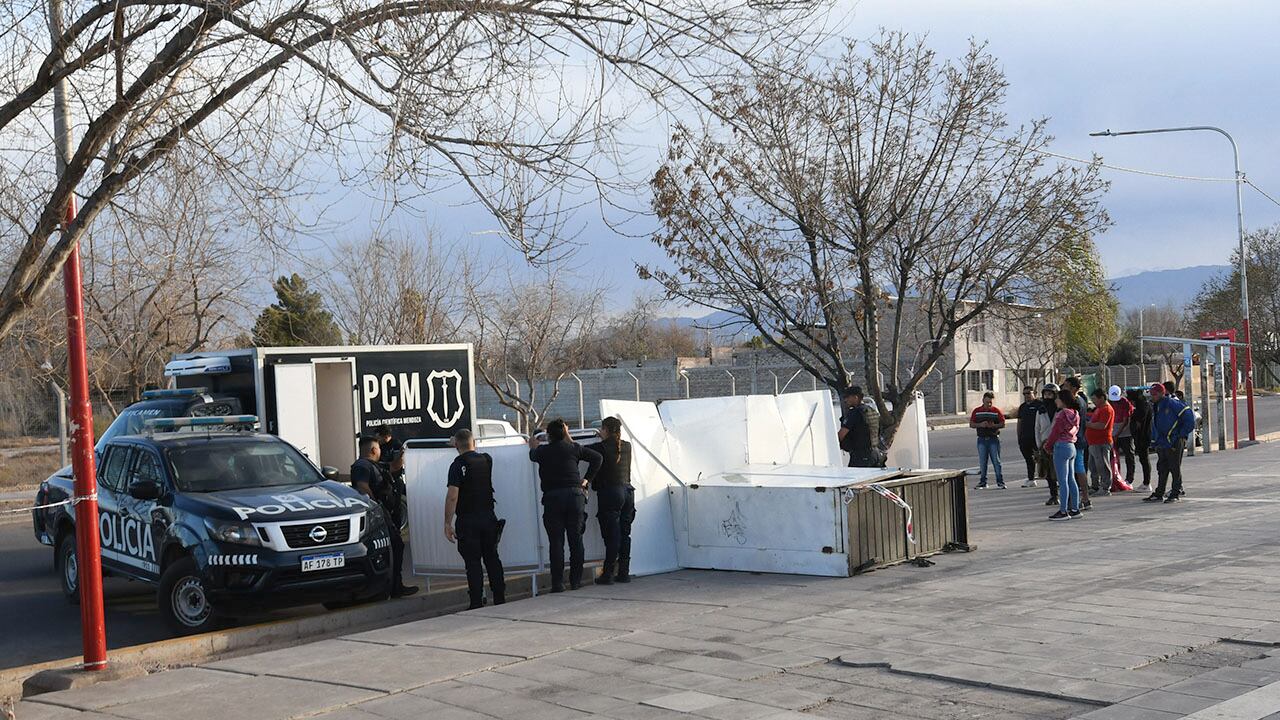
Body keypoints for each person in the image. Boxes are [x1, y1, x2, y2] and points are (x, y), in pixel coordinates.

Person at [528, 418, 602, 592]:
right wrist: (587, 479)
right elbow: (597, 458)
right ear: (565, 433)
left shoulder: (543, 451)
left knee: (556, 542)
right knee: (576, 540)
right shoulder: (573, 448)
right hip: (575, 496)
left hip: (553, 498)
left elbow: (533, 453)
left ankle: (558, 583)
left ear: (549, 435)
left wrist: (533, 444)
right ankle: (576, 582)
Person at [443, 428, 505, 609]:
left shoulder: (457, 465)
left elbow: (452, 496)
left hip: (468, 520)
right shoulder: (486, 460)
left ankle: (476, 601)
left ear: (455, 445)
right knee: (492, 558)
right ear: (474, 443)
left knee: (473, 562)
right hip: (488, 517)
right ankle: (500, 596)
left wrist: (447, 523)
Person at [351, 436, 418, 597]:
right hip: (377, 514)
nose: (380, 451)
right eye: (379, 448)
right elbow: (362, 486)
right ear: (374, 450)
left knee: (396, 546)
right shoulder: (362, 466)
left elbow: (393, 467)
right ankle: (391, 586)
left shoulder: (373, 465)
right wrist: (376, 507)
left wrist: (402, 455)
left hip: (384, 512)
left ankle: (395, 585)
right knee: (393, 546)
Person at [584, 416, 635, 585]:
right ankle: (624, 573)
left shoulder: (600, 447)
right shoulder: (627, 446)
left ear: (605, 430)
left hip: (611, 493)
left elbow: (579, 450)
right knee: (625, 534)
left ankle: (607, 574)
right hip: (628, 492)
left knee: (612, 536)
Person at [1146, 383, 1195, 504]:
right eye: (1151, 394)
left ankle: (1175, 492)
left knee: (1174, 467)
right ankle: (1159, 492)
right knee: (1162, 468)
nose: (1152, 396)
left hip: (1173, 441)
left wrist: (1179, 435)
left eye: (1154, 394)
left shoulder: (1173, 404)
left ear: (1162, 393)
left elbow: (1189, 419)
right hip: (1162, 442)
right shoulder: (1155, 406)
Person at [1044, 388, 1081, 520]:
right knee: (1071, 479)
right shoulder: (1075, 413)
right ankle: (1075, 508)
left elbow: (1055, 432)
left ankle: (1063, 510)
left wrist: (1048, 445)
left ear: (1063, 400)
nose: (1056, 400)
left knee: (1062, 480)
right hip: (1071, 445)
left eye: (1058, 398)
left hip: (1061, 446)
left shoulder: (1061, 414)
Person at [1062, 377, 1091, 510]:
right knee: (1079, 469)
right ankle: (1084, 498)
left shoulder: (1075, 402)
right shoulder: (1082, 400)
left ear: (1073, 388)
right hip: (1080, 438)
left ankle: (1078, 499)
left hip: (1074, 439)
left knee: (1076, 470)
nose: (1064, 388)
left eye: (1067, 386)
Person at [969, 391, 1006, 489]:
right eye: (987, 402)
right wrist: (980, 425)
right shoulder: (977, 411)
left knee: (996, 461)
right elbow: (971, 424)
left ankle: (1000, 481)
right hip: (981, 439)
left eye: (990, 402)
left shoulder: (996, 411)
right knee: (982, 462)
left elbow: (1002, 423)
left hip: (993, 438)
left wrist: (994, 425)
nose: (989, 404)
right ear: (983, 400)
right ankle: (983, 481)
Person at [838, 386, 882, 468]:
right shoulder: (872, 411)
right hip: (876, 454)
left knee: (853, 479)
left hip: (861, 457)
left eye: (847, 397)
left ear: (856, 397)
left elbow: (841, 434)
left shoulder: (855, 413)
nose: (845, 400)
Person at [1034, 383, 1060, 506]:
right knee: (1048, 473)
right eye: (1045, 394)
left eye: (1050, 394)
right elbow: (1037, 428)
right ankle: (1053, 495)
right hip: (1045, 445)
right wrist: (1039, 445)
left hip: (1059, 444)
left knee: (1059, 471)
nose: (1047, 396)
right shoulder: (1041, 410)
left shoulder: (1060, 410)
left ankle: (1065, 495)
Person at [1085, 388, 1114, 497]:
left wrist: (1087, 424)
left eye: (1094, 399)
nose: (1093, 402)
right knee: (1093, 465)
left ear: (1101, 398)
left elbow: (1102, 425)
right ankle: (1095, 485)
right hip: (1093, 442)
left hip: (1102, 441)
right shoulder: (1098, 409)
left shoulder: (1106, 409)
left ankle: (1105, 487)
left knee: (1102, 465)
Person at [1015, 386, 1041, 488]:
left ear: (1034, 393)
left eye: (1028, 393)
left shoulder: (1039, 405)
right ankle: (1031, 479)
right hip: (1025, 437)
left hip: (1037, 437)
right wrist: (1019, 436)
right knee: (1029, 459)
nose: (1026, 396)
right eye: (1024, 394)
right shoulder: (1022, 407)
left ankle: (1051, 479)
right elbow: (1019, 422)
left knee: (1042, 459)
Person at [1109, 385, 1135, 486]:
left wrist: (1117, 434)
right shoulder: (1109, 402)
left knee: (1129, 455)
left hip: (1125, 432)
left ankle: (1129, 479)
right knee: (1113, 457)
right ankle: (1115, 477)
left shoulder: (1125, 402)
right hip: (1113, 430)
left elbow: (1125, 421)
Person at [1128, 388, 1153, 488]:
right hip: (1141, 437)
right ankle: (1146, 482)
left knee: (1144, 459)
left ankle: (1147, 483)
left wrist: (1133, 418)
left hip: (1143, 437)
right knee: (1143, 460)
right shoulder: (1143, 406)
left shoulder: (1142, 408)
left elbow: (1138, 421)